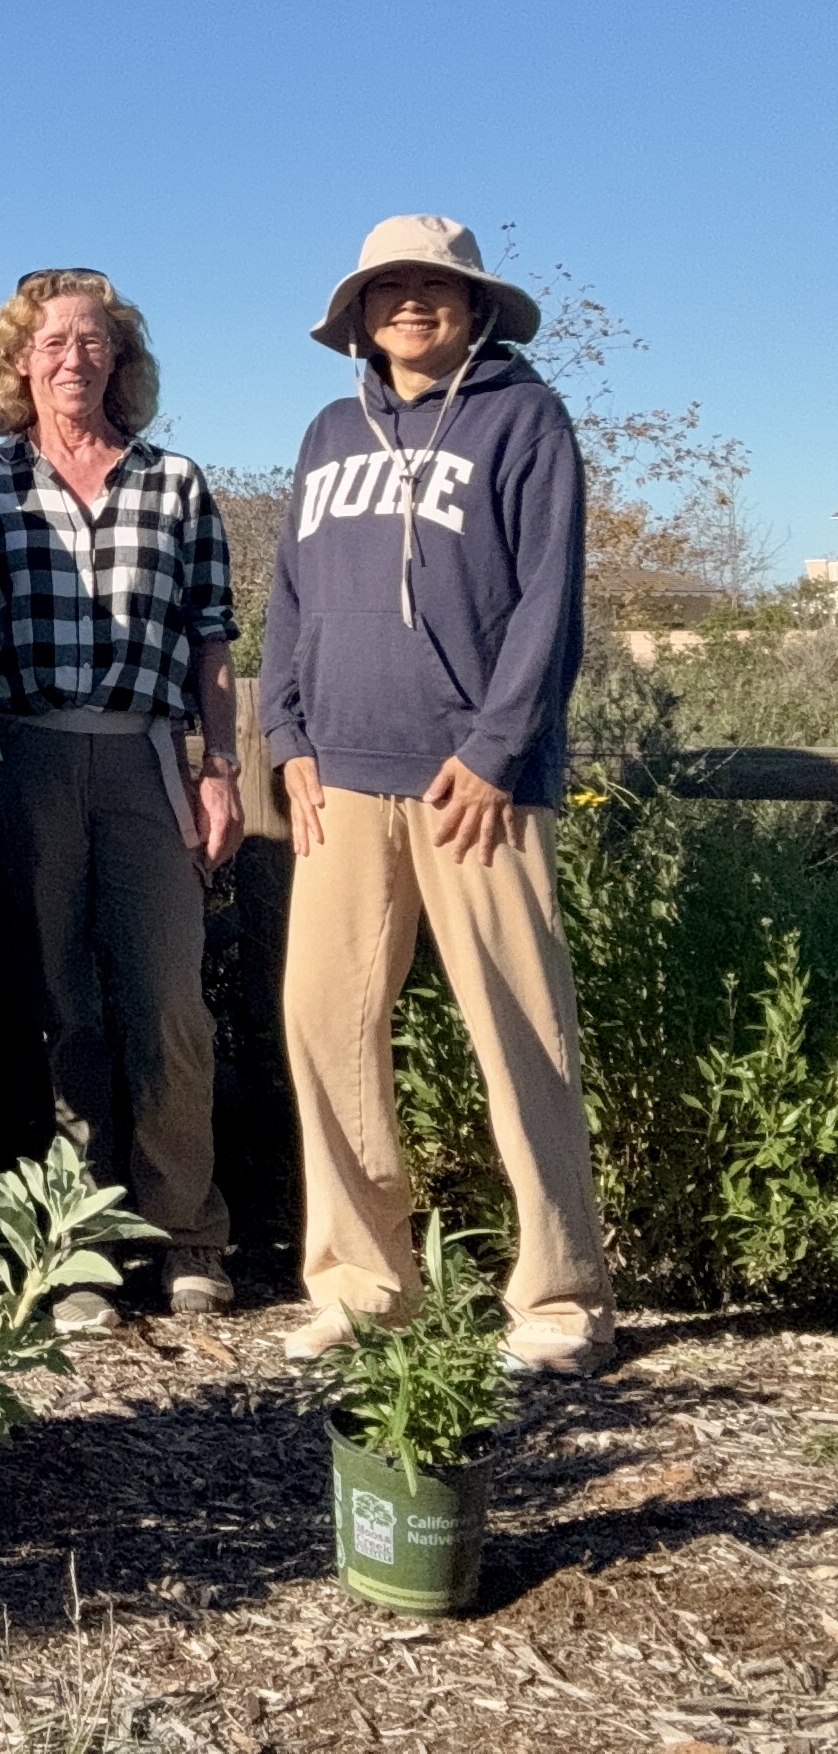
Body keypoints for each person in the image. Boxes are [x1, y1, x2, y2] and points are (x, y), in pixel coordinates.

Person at [261, 215, 613, 1376]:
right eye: (387, 287)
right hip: (340, 781)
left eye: (434, 286)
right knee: (325, 1028)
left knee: (518, 1029)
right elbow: (292, 601)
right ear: (357, 313)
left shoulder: (524, 418)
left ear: (471, 305)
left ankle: (559, 1295)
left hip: (475, 784)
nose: (410, 303)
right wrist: (284, 734)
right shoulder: (325, 432)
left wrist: (498, 747)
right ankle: (362, 1281)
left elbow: (546, 602)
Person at [0, 268, 241, 1331]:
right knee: (56, 1010)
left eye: (91, 341)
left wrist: (217, 765)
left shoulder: (171, 482)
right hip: (26, 756)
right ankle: (72, 1244)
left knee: (167, 999)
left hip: (144, 758)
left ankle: (187, 1232)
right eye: (49, 342)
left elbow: (211, 638)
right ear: (17, 363)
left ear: (118, 362)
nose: (71, 357)